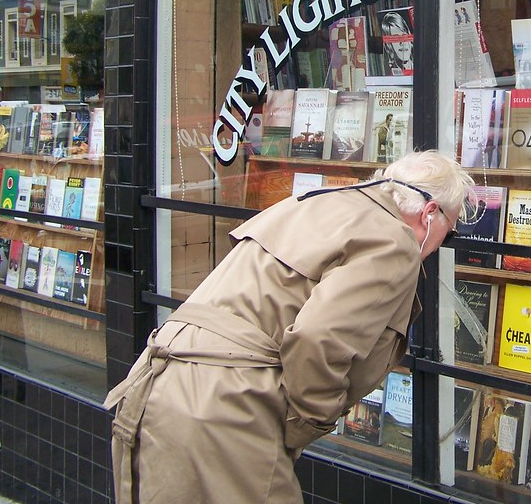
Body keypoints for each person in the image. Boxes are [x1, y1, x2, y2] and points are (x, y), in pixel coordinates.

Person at [104, 151, 475, 504]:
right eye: (451, 232)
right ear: (429, 214)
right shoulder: (395, 242)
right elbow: (319, 340)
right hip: (223, 407)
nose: (445, 241)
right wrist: (303, 428)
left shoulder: (324, 202)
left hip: (158, 381)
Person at [381, 10, 414, 75]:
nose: (402, 42)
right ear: (388, 45)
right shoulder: (389, 73)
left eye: (404, 36)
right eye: (396, 38)